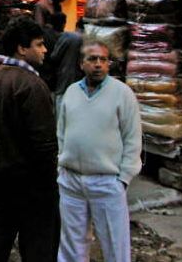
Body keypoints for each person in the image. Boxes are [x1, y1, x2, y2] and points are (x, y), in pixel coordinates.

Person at [0, 16, 59, 262]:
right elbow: (45, 145)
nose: (45, 50)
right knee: (38, 250)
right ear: (22, 49)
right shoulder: (33, 86)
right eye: (39, 44)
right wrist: (48, 186)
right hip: (32, 188)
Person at [57, 40, 142, 262]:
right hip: (71, 181)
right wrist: (61, 166)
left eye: (103, 59)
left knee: (115, 247)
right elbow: (61, 133)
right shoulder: (72, 92)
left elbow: (132, 138)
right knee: (71, 246)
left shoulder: (122, 94)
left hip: (107, 181)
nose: (98, 64)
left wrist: (123, 178)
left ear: (108, 64)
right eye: (92, 59)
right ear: (81, 63)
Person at [49, 19, 84, 112]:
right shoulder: (90, 40)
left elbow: (54, 56)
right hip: (81, 82)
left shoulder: (69, 36)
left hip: (65, 79)